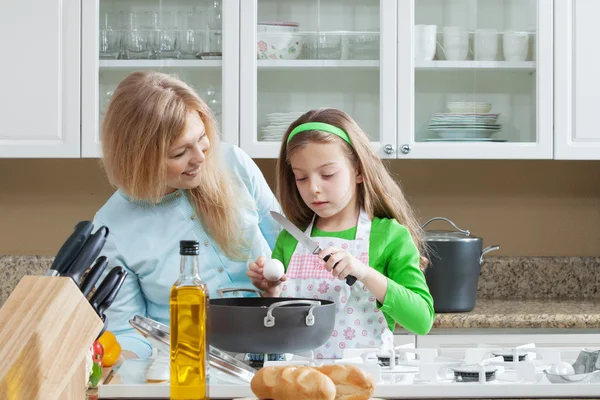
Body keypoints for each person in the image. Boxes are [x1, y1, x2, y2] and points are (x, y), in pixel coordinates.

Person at [94, 71, 281, 359]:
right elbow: (127, 331)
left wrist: (277, 280)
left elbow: (287, 248)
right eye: (180, 152)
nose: (201, 157)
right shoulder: (111, 229)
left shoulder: (235, 163)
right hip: (184, 372)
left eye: (202, 137)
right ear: (140, 159)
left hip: (273, 353)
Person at [247, 108, 434, 359]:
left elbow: (421, 321)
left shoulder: (389, 236)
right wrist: (270, 293)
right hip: (299, 382)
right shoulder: (291, 237)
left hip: (364, 382)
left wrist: (364, 273)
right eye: (301, 178)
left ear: (358, 170)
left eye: (327, 174)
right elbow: (276, 327)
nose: (314, 188)